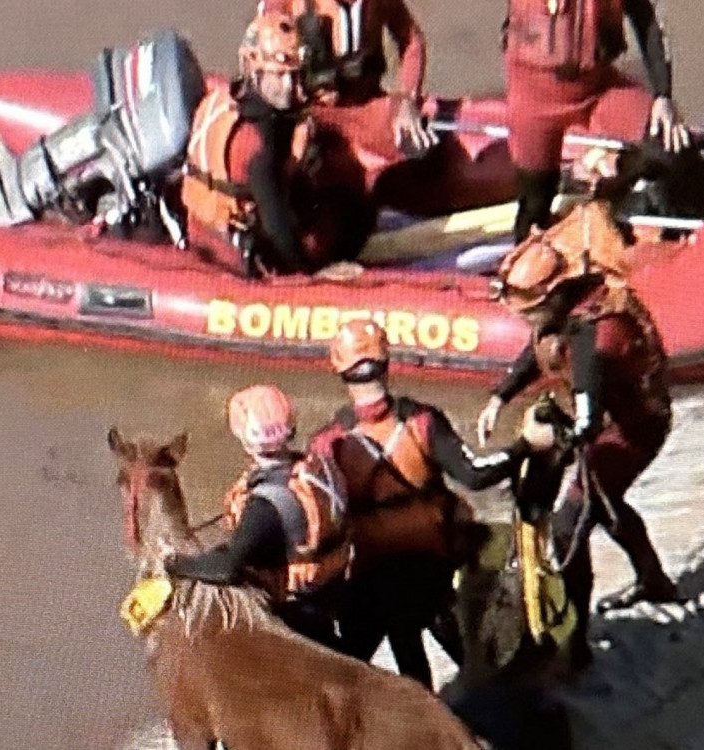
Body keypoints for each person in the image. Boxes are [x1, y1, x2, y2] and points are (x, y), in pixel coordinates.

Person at [478, 200, 677, 667]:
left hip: (633, 428)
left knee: (572, 522)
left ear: (552, 296)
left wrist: (540, 443)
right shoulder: (571, 309)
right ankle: (653, 578)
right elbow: (538, 351)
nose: (522, 318)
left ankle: (577, 644)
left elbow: (586, 424)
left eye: (527, 309)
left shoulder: (594, 341)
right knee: (608, 505)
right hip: (618, 417)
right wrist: (499, 397)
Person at [309, 319, 555, 688]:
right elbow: (474, 473)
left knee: (360, 662)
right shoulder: (422, 423)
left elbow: (316, 519)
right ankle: (494, 701)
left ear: (338, 368)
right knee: (453, 648)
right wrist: (525, 445)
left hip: (368, 577)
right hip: (430, 568)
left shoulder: (327, 443)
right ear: (387, 361)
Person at [259, 0, 518, 216]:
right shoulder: (285, 4)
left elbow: (410, 40)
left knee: (425, 151)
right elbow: (261, 64)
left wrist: (407, 99)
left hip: (368, 111)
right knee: (304, 167)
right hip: (312, 117)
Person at [181, 11, 374, 276]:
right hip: (236, 247)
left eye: (294, 76)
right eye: (279, 77)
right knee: (357, 209)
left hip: (202, 226)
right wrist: (310, 272)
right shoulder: (259, 145)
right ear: (255, 70)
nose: (289, 87)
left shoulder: (224, 96)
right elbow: (277, 226)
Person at [165, 384, 350, 649]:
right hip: (327, 600)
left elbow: (227, 568)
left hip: (292, 615)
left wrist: (175, 565)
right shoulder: (318, 470)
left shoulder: (266, 504)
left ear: (242, 437)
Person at [502, 0, 692, 242]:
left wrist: (663, 95)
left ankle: (613, 185)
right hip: (532, 98)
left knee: (668, 150)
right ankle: (532, 260)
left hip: (597, 88)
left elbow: (647, 23)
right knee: (534, 207)